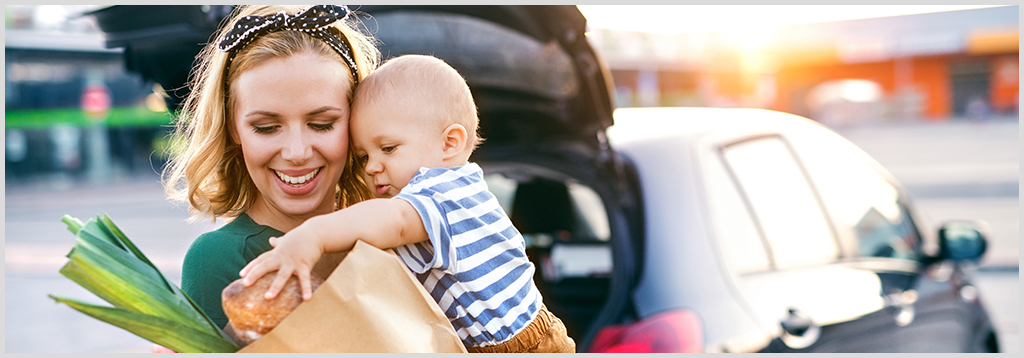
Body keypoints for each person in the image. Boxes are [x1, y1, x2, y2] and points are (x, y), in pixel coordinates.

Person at [239, 54, 577, 353]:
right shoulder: (447, 195)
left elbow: (393, 220)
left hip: (523, 347)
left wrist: (312, 236)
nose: (371, 166)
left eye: (387, 149)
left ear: (450, 143)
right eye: (362, 156)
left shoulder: (443, 194)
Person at [162, 4, 379, 332]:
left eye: (322, 124)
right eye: (266, 127)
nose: (297, 152)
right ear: (233, 129)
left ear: (356, 120)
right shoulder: (217, 259)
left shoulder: (389, 230)